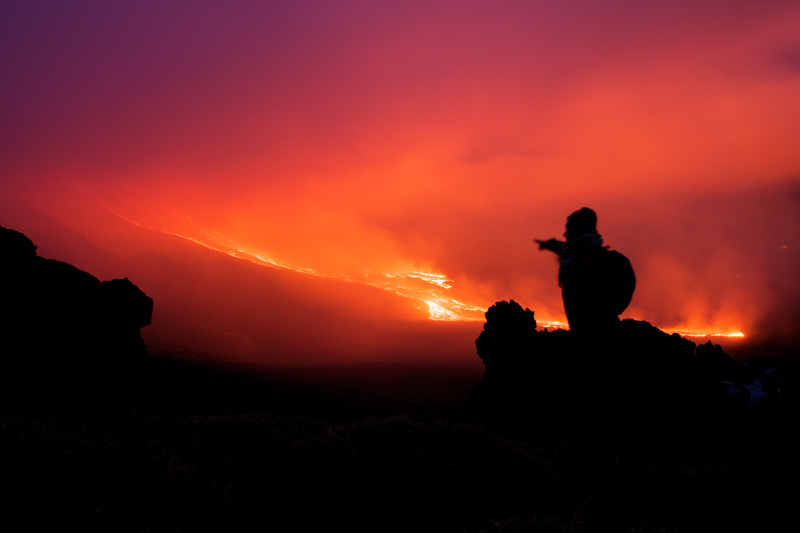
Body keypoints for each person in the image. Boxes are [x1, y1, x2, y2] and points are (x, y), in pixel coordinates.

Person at [536, 208, 635, 334]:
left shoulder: (584, 262)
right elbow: (570, 251)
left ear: (576, 230)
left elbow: (585, 300)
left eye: (568, 229)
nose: (564, 234)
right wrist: (551, 245)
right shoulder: (588, 254)